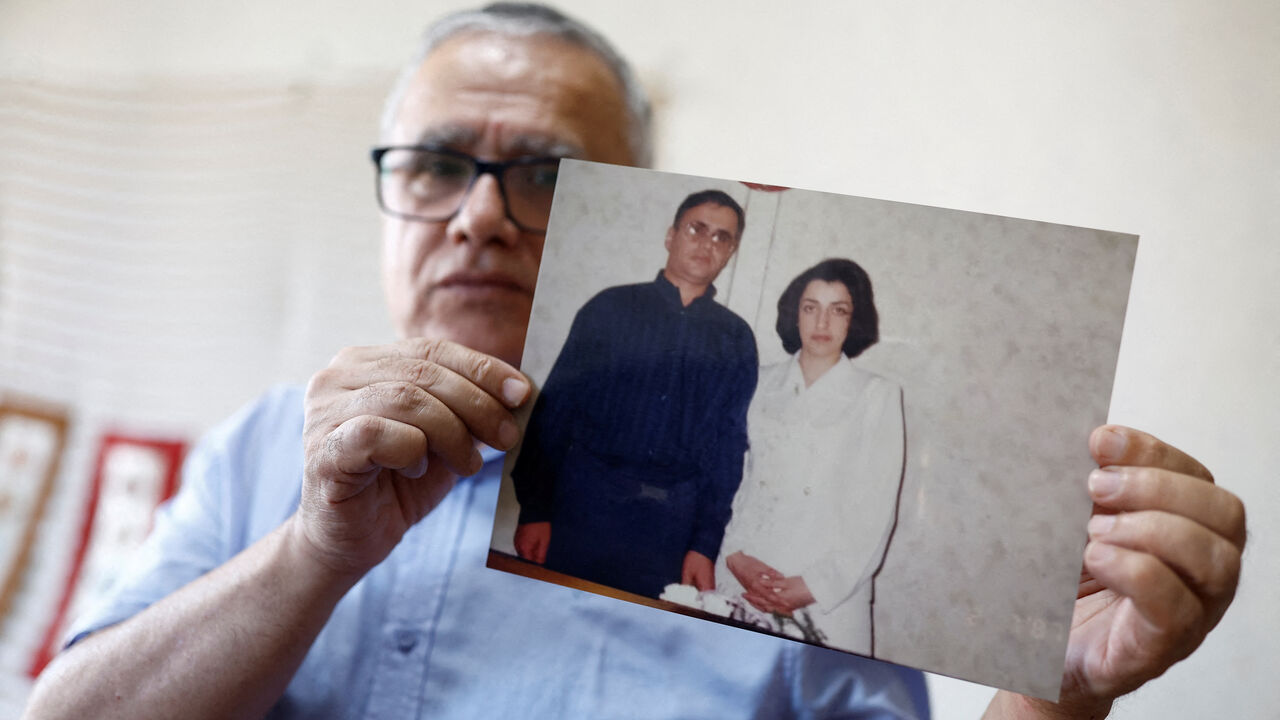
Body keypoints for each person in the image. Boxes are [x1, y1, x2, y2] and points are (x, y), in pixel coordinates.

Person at [21, 4, 1246, 720]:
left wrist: (1058, 695)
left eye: (545, 173)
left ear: (639, 204)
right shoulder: (256, 451)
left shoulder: (769, 438)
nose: (479, 216)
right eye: (436, 165)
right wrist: (309, 552)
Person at [510, 189, 756, 598]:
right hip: (583, 508)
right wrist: (535, 509)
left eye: (721, 237)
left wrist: (704, 544)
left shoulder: (736, 339)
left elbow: (728, 449)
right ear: (670, 235)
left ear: (730, 252)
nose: (707, 243)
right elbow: (554, 414)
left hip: (668, 529)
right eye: (697, 229)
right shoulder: (609, 308)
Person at [717, 258, 902, 656]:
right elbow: (730, 479)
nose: (823, 323)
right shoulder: (757, 382)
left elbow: (876, 510)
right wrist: (734, 556)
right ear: (794, 314)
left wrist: (813, 587)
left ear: (855, 320)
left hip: (827, 597)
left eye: (838, 310)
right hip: (746, 576)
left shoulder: (877, 395)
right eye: (810, 307)